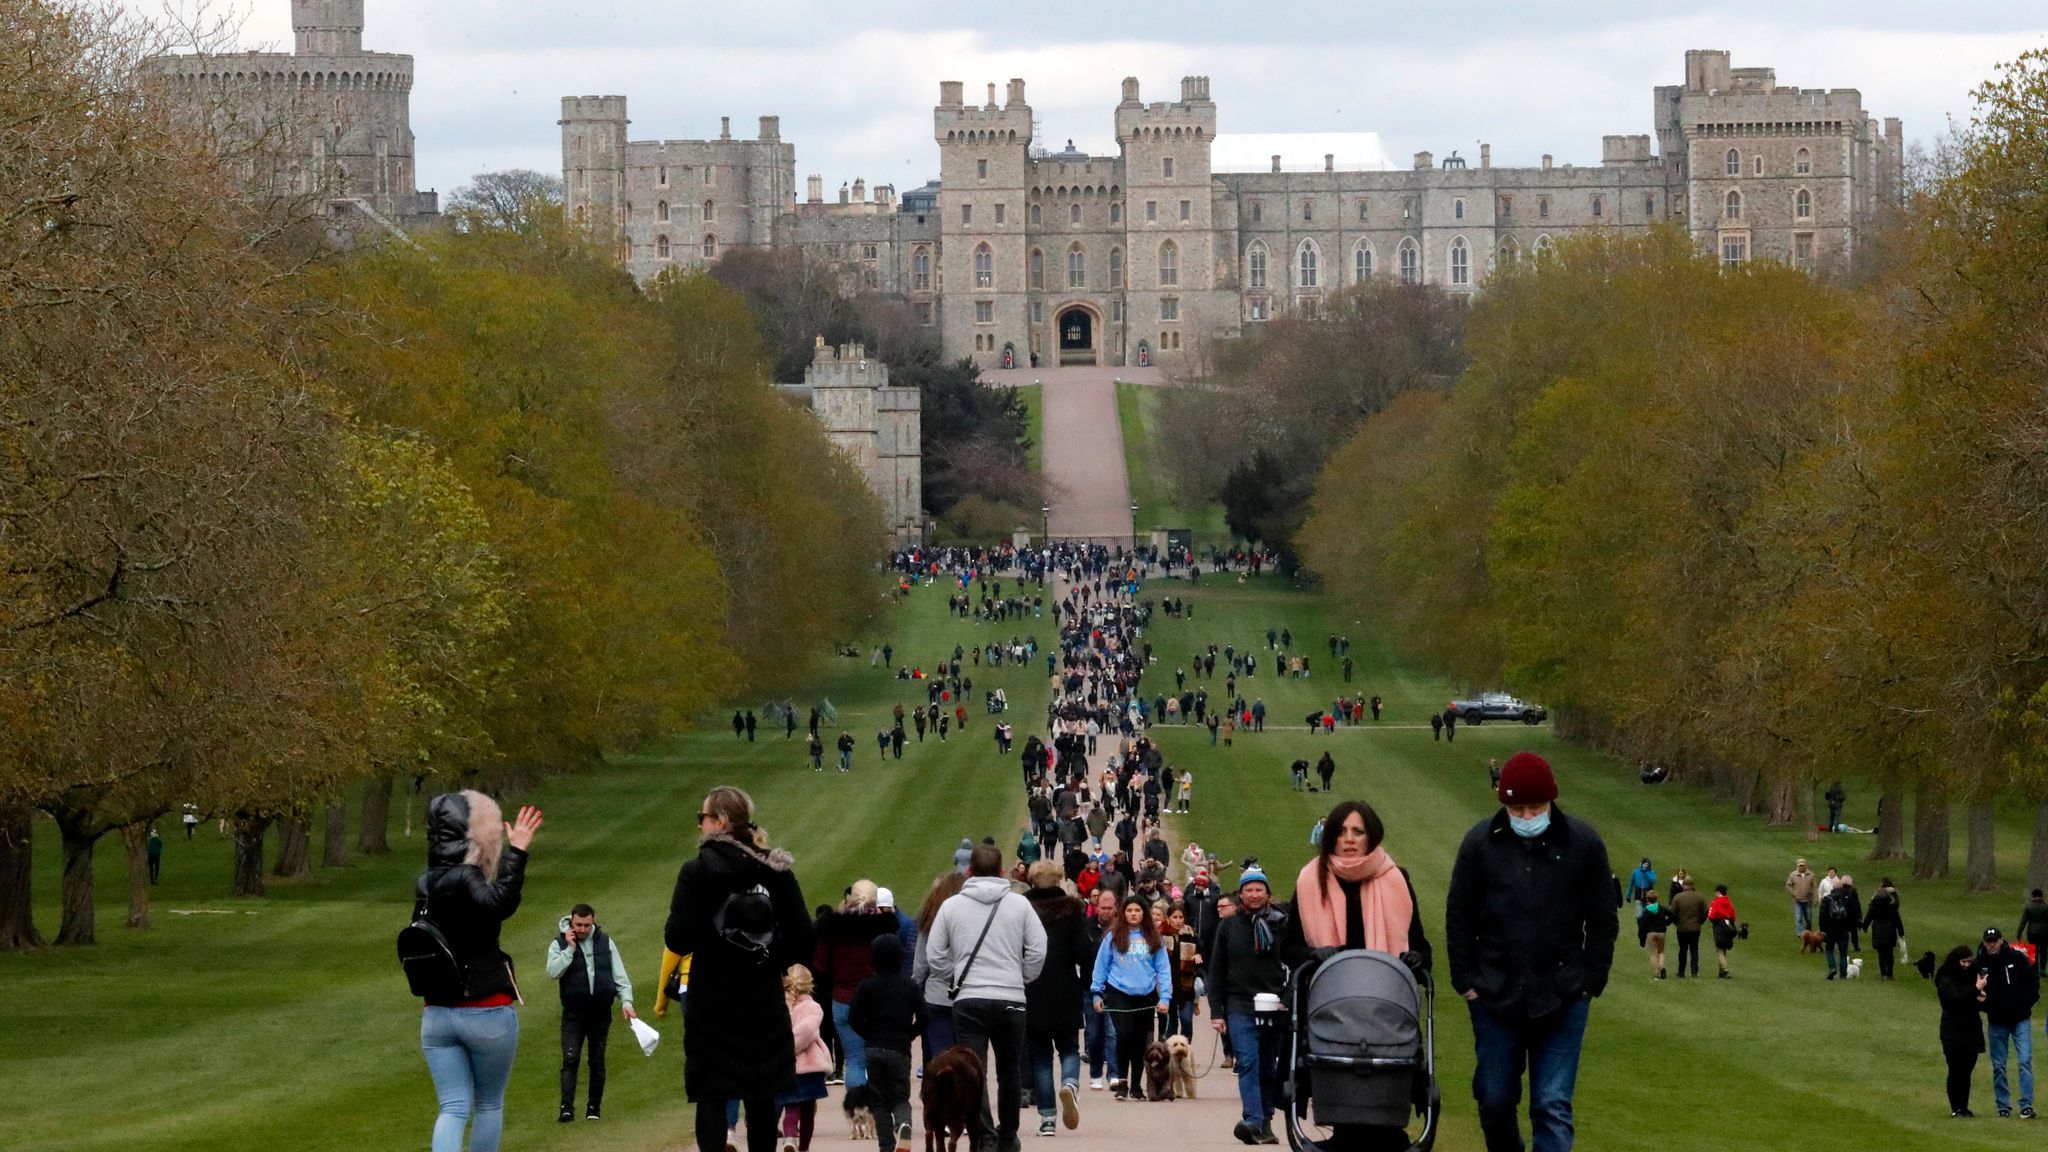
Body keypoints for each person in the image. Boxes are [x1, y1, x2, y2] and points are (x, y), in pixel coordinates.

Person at [1446, 751, 1617, 1152]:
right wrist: (1466, 982)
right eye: (1516, 809)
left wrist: (1592, 982)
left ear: (1551, 802)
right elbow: (1459, 915)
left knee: (1552, 1105)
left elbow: (1603, 918)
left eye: (1534, 808)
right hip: (1493, 995)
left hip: (1563, 994)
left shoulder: (1584, 844)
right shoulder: (1479, 844)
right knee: (1494, 1099)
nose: (1526, 817)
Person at [665, 786, 815, 1152]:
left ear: (719, 822)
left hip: (711, 998)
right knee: (761, 1094)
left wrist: (711, 939)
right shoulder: (774, 869)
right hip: (762, 996)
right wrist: (768, 957)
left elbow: (678, 938)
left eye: (702, 818)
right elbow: (803, 938)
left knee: (712, 1095)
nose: (699, 825)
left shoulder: (697, 872)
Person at [1280, 800, 1433, 1152]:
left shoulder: (1395, 879)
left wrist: (1415, 958)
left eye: (1358, 832)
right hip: (1333, 1009)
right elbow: (1288, 947)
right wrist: (1312, 955)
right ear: (1330, 837)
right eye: (1342, 832)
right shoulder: (1310, 880)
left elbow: (1422, 945)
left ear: (1371, 836)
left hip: (1385, 1007)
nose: (1349, 839)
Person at [416, 791, 543, 1152]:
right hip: (486, 1009)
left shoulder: (425, 883)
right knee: (489, 1103)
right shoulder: (466, 876)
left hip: (437, 1013)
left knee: (453, 1108)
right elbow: (497, 905)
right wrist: (517, 853)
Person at [926, 844, 1047, 1152]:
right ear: (1001, 870)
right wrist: (1023, 977)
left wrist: (953, 977)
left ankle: (984, 1135)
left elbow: (935, 954)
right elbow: (1038, 948)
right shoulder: (1019, 905)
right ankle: (1008, 1135)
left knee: (973, 1072)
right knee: (1010, 1071)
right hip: (1010, 996)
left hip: (970, 997)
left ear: (970, 871)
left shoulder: (951, 907)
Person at [1207, 866, 1288, 1145]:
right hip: (1239, 1003)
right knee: (1248, 1062)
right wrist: (1216, 1011)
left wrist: (1287, 1000)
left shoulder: (1281, 923)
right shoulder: (1228, 926)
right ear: (1240, 894)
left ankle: (1265, 1120)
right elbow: (1216, 970)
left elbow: (1293, 964)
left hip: (1273, 1004)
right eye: (1248, 890)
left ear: (1267, 893)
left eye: (1259, 889)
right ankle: (1252, 1119)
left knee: (1268, 1066)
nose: (1254, 894)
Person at [815, 882, 902, 1118]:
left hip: (843, 998)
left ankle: (860, 1109)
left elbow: (820, 964)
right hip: (877, 998)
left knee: (854, 1059)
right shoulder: (883, 926)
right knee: (881, 1057)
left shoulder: (832, 926)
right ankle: (880, 1108)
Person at [548, 903, 637, 1122]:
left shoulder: (605, 942)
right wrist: (569, 949)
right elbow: (553, 971)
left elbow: (620, 975)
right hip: (573, 1013)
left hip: (600, 1012)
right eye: (578, 924)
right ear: (572, 921)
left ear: (593, 921)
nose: (583, 929)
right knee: (571, 1059)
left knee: (597, 1060)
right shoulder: (559, 943)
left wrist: (626, 1002)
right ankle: (566, 1108)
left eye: (587, 925)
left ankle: (593, 1108)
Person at [1022, 860, 1086, 1136]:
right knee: (1069, 1048)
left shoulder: (1023, 908)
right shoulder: (1072, 910)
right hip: (1064, 987)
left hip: (1032, 987)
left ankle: (1047, 1118)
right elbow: (1083, 952)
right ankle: (1070, 1083)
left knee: (1040, 1058)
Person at [1090, 894, 1171, 1101]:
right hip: (1119, 992)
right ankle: (1121, 1081)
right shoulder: (1113, 937)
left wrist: (1165, 998)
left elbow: (1163, 969)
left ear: (1144, 914)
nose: (1133, 914)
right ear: (1123, 913)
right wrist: (1097, 992)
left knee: (1139, 1041)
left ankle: (1136, 1085)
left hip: (1145, 994)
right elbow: (1101, 965)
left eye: (1137, 911)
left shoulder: (1154, 938)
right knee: (1124, 1035)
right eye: (1129, 911)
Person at [849, 933, 923, 1152]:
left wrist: (869, 1035)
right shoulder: (909, 985)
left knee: (879, 1102)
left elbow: (853, 1017)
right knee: (900, 1097)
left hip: (874, 1048)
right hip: (899, 1048)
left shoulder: (866, 986)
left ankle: (886, 1146)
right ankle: (904, 1124)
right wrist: (909, 1034)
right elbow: (925, 1016)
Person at [1978, 927, 2039, 1119]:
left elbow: (2033, 981)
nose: (1991, 944)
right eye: (1988, 941)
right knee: (1999, 1065)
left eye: (1994, 941)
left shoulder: (2016, 958)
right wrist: (1985, 1004)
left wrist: (2026, 1003)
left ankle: (2027, 1105)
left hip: (2020, 1019)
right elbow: (1975, 989)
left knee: (2024, 1061)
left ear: (2001, 940)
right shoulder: (1981, 963)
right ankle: (2003, 1105)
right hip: (1997, 1021)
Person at [911, 871, 968, 1067]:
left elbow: (921, 965)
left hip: (937, 996)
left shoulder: (932, 916)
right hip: (966, 996)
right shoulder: (969, 919)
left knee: (940, 1061)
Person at [779, 965, 832, 1152]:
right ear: (809, 985)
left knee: (790, 1105)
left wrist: (782, 1051)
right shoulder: (812, 1007)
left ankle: (790, 1136)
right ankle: (801, 1146)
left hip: (785, 1066)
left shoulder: (779, 1004)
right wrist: (792, 1048)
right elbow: (807, 1031)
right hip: (809, 1066)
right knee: (808, 1110)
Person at [1937, 945, 1988, 1118]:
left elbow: (1972, 1001)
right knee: (1956, 1069)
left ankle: (1964, 1107)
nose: (1966, 965)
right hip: (1952, 1029)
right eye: (1963, 961)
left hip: (1971, 1027)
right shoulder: (1945, 975)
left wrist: (1981, 998)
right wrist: (1976, 989)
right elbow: (1954, 998)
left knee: (1967, 1070)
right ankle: (1956, 1107)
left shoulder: (1972, 975)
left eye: (1969, 961)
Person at [1082, 887, 1121, 1090]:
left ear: (1116, 908)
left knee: (1113, 1032)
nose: (1105, 911)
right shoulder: (1086, 927)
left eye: (1109, 908)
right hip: (1090, 987)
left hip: (1114, 989)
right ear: (1096, 907)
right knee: (1094, 1033)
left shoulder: (1122, 929)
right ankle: (1095, 1073)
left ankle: (1114, 1073)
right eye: (1102, 907)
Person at [1819, 875, 1860, 981]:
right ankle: (1842, 973)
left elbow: (1822, 915)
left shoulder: (1828, 899)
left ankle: (1832, 967)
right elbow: (1853, 914)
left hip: (1830, 928)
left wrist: (1823, 929)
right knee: (1843, 952)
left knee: (1829, 949)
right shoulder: (1849, 898)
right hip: (1844, 928)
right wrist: (1851, 927)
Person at [1863, 880, 1905, 981]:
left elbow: (1868, 919)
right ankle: (1890, 973)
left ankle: (1883, 974)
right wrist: (1901, 931)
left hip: (1878, 931)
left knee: (1881, 954)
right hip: (1890, 931)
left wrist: (1864, 927)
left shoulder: (1873, 907)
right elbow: (1897, 920)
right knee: (1889, 954)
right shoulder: (1891, 907)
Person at [1670, 878, 1708, 980]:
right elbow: (1705, 911)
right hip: (1695, 928)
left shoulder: (1678, 897)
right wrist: (1700, 921)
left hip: (1682, 928)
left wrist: (1677, 923)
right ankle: (1694, 971)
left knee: (1682, 950)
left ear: (1684, 886)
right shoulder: (1700, 897)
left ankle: (1681, 971)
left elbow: (1672, 913)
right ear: (1692, 886)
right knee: (1694, 950)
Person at [1706, 885, 1739, 979]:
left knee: (1719, 949)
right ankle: (1721, 972)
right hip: (1728, 927)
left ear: (1718, 892)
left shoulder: (1715, 902)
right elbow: (1733, 916)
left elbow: (1711, 916)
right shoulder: (1729, 903)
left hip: (1719, 927)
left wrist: (1717, 922)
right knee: (1724, 948)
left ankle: (1725, 969)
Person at [1638, 893, 1671, 980]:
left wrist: (1641, 938)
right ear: (1656, 898)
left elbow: (1642, 925)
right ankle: (1662, 966)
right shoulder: (1662, 908)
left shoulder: (1646, 910)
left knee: (1653, 953)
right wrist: (1666, 923)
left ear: (1647, 899)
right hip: (1661, 933)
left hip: (1651, 933)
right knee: (1661, 951)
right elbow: (1672, 915)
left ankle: (1656, 972)